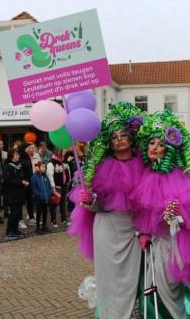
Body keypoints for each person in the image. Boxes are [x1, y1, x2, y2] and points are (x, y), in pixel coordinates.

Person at [130, 110, 190, 317]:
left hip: (174, 244)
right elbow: (143, 211)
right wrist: (145, 232)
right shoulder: (146, 174)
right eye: (152, 142)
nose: (155, 148)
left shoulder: (179, 176)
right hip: (153, 244)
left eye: (161, 144)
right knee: (153, 289)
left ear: (169, 149)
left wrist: (171, 215)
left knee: (168, 290)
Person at [68, 102, 145, 319]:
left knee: (132, 277)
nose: (119, 139)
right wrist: (89, 199)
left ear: (131, 138)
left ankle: (130, 314)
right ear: (109, 143)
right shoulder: (101, 167)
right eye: (114, 136)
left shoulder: (145, 164)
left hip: (133, 230)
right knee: (108, 277)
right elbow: (97, 205)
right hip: (106, 228)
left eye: (123, 135)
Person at [3, 149, 28, 238]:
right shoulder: (8, 166)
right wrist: (21, 182)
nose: (18, 156)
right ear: (11, 156)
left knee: (18, 213)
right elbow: (8, 180)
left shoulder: (19, 165)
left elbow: (23, 175)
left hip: (19, 193)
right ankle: (9, 231)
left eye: (18, 154)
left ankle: (15, 229)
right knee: (13, 213)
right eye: (16, 155)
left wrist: (25, 181)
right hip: (11, 193)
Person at [47, 148, 69, 228]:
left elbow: (67, 170)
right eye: (64, 150)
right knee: (55, 204)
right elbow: (50, 175)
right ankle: (53, 221)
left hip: (64, 185)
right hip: (57, 186)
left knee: (63, 202)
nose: (65, 151)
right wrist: (53, 187)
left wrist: (68, 180)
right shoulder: (51, 162)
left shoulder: (64, 161)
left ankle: (64, 219)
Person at [19, 142, 39, 226]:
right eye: (27, 148)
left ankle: (31, 218)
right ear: (24, 149)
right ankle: (20, 220)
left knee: (30, 201)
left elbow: (30, 169)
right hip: (22, 183)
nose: (29, 149)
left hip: (29, 182)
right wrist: (23, 180)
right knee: (21, 202)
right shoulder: (20, 158)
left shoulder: (28, 157)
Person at [30, 161, 53, 234]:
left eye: (44, 167)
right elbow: (34, 188)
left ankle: (44, 226)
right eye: (43, 167)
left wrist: (49, 194)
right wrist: (38, 195)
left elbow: (49, 186)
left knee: (45, 213)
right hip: (39, 199)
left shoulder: (45, 176)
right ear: (38, 167)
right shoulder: (34, 177)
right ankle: (37, 228)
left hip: (46, 199)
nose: (44, 168)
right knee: (39, 214)